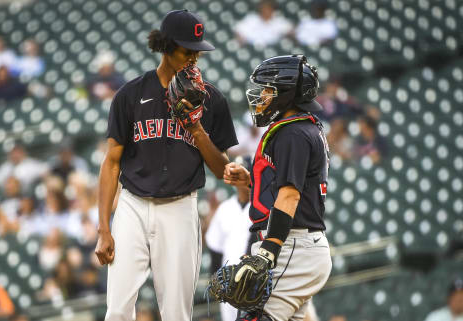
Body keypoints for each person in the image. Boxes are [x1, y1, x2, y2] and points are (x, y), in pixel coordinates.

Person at [94, 9, 238, 321]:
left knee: (176, 313)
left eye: (197, 52)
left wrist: (197, 129)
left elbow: (222, 169)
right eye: (187, 51)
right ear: (166, 47)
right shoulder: (129, 95)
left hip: (180, 208)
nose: (194, 59)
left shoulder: (211, 99)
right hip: (132, 206)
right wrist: (104, 228)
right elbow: (111, 164)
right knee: (117, 309)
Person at [223, 55, 332, 321]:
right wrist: (252, 181)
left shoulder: (292, 133)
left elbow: (291, 195)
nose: (262, 96)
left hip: (292, 244)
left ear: (286, 94)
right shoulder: (299, 129)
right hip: (300, 244)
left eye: (269, 90)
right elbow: (293, 187)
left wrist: (268, 251)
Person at [205, 156, 253, 321]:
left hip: (255, 283)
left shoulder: (263, 208)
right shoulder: (225, 208)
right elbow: (215, 248)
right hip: (228, 285)